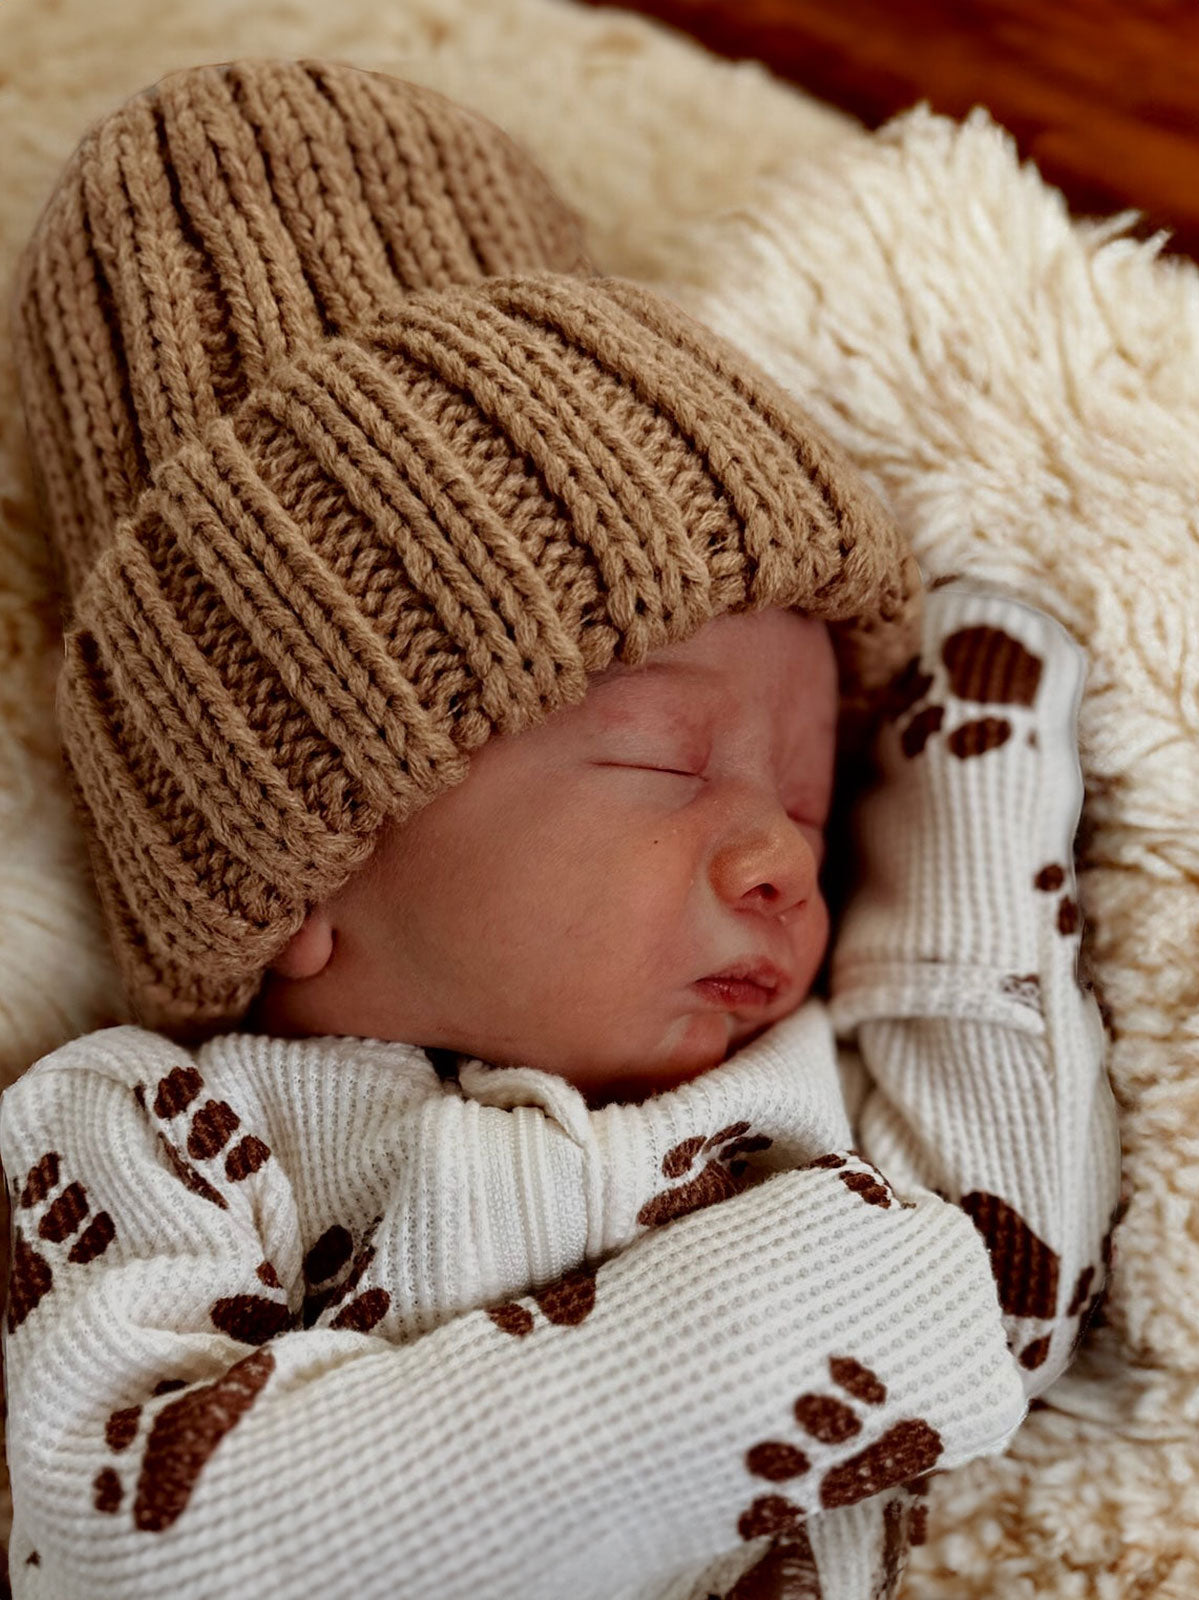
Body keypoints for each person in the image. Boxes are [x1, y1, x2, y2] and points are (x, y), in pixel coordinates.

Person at [0, 59, 1121, 1600]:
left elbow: (1006, 1299)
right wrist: (769, 1332)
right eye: (669, 760)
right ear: (303, 862)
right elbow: (138, 1554)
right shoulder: (156, 1136)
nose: (784, 857)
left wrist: (980, 753)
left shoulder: (790, 1088)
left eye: (810, 794)